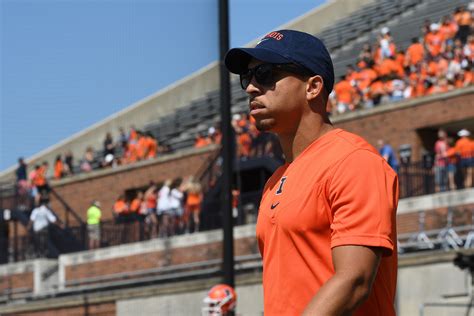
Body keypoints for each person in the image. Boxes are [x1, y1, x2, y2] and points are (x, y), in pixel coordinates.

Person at [225, 29, 398, 315]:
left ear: (313, 87)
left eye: (265, 74)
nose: (251, 88)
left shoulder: (353, 160)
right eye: (248, 77)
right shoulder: (274, 180)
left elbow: (354, 280)